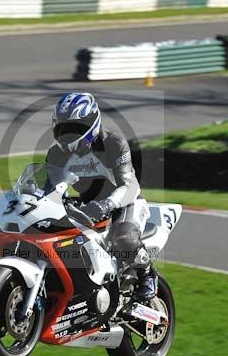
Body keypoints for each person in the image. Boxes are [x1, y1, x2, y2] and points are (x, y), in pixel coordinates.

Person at [45, 92, 157, 300]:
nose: (68, 134)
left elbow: (130, 186)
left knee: (124, 238)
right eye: (63, 128)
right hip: (86, 206)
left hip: (124, 203)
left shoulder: (113, 143)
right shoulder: (56, 154)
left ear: (92, 122)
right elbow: (49, 190)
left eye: (75, 128)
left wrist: (107, 204)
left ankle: (147, 275)